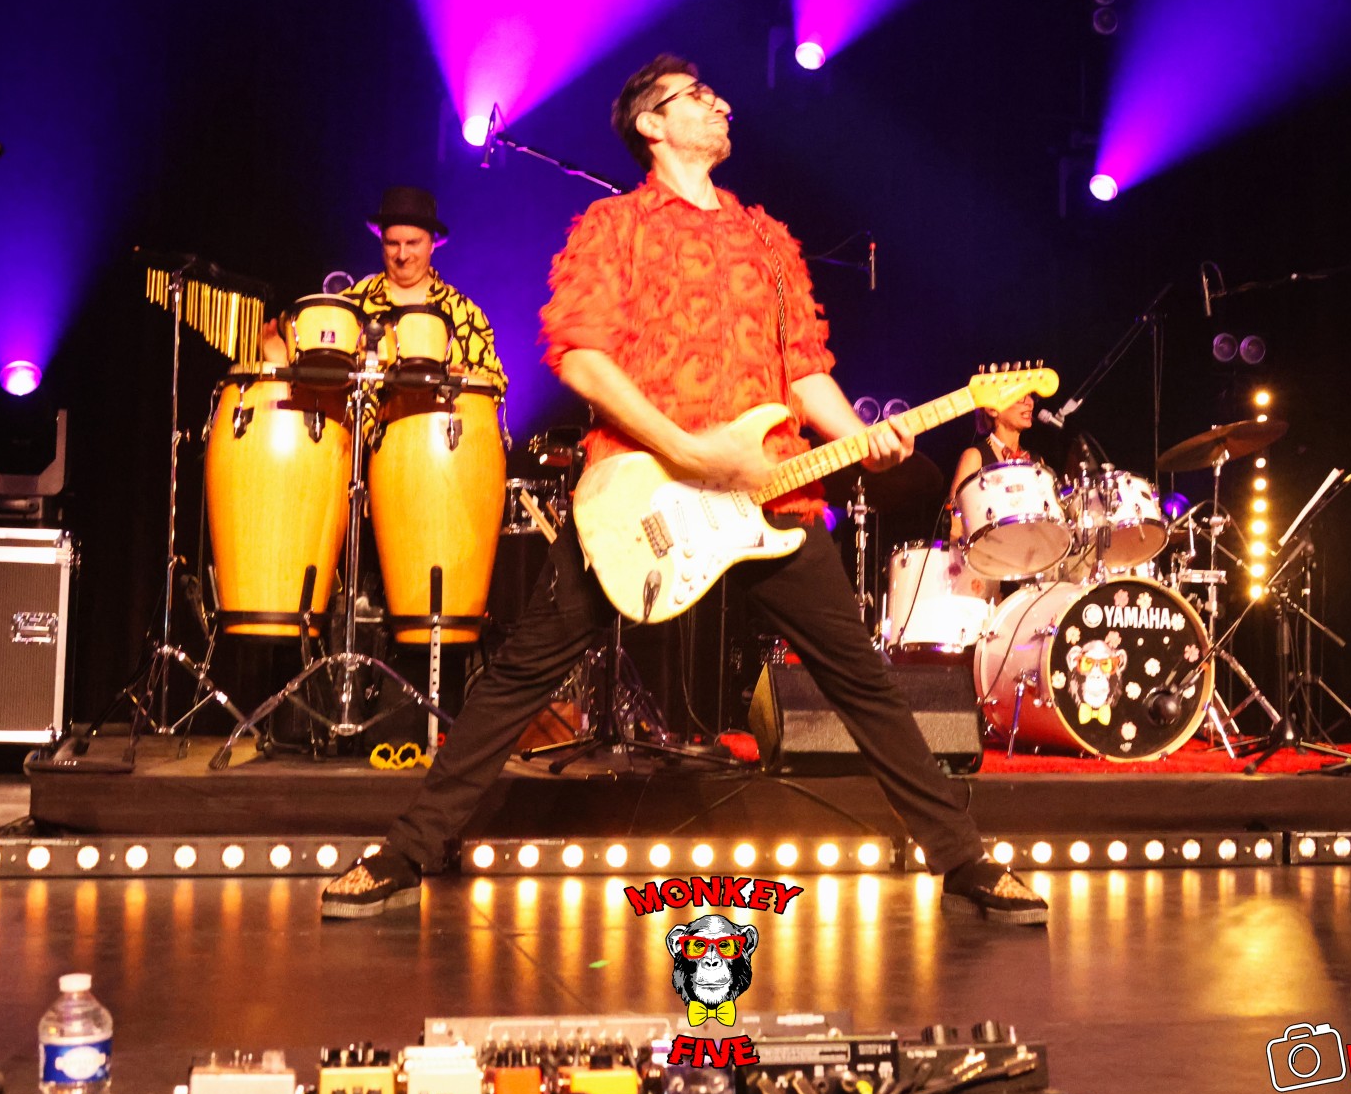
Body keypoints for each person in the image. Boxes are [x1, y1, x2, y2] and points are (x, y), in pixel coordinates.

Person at [320, 54, 1047, 926]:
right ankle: (407, 849)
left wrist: (862, 440)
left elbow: (804, 370)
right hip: (638, 494)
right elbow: (582, 358)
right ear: (652, 123)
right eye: (700, 97)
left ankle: (964, 861)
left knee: (864, 681)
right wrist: (692, 454)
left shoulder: (768, 240)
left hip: (771, 502)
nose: (722, 103)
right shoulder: (613, 227)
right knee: (520, 675)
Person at [262, 186, 505, 390]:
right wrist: (282, 364)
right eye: (392, 243)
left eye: (413, 243)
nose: (402, 255)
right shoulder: (349, 306)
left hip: (440, 432)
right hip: (359, 435)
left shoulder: (464, 313)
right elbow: (317, 387)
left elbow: (496, 384)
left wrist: (465, 383)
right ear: (381, 241)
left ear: (432, 243)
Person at [947, 394, 1044, 545]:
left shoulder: (1036, 461)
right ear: (992, 409)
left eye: (1030, 396)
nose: (1030, 403)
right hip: (987, 554)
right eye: (1020, 396)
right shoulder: (974, 457)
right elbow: (955, 526)